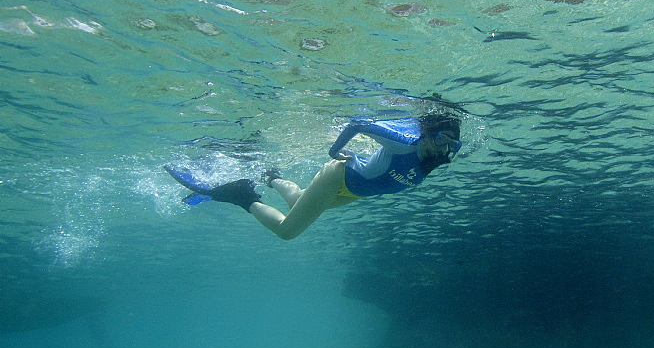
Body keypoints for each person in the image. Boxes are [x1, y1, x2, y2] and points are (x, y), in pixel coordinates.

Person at [166, 114, 461, 240]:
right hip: (338, 178)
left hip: (355, 193)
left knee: (297, 199)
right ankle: (243, 196)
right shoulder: (403, 143)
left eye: (452, 144)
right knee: (287, 231)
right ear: (425, 133)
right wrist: (335, 152)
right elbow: (359, 123)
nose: (444, 147)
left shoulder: (433, 161)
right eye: (440, 138)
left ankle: (270, 177)